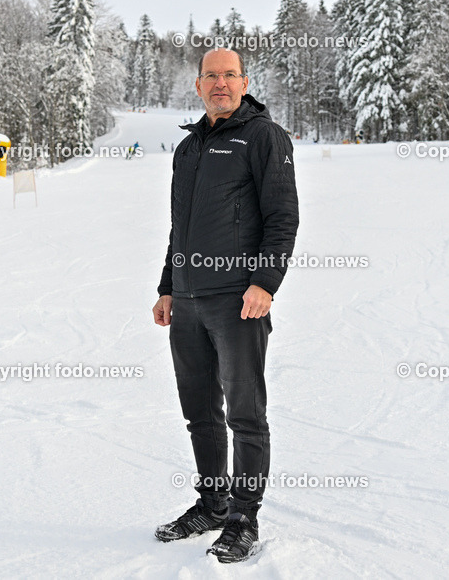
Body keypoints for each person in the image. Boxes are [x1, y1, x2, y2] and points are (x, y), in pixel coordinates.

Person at [152, 48, 299, 563]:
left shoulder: (263, 137)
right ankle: (212, 502)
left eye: (229, 75)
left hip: (239, 300)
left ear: (244, 82)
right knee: (200, 412)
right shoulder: (188, 149)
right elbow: (180, 225)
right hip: (188, 300)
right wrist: (168, 285)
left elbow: (282, 218)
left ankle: (242, 516)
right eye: (211, 76)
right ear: (198, 86)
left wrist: (266, 282)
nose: (220, 84)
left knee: (245, 413)